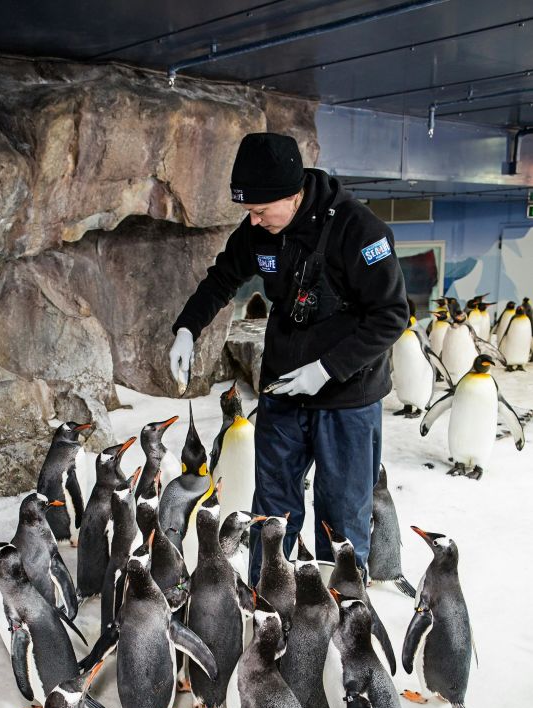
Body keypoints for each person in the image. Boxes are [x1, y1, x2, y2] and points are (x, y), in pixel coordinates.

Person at [169, 132, 408, 583]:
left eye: (261, 210)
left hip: (348, 395)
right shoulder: (261, 230)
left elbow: (392, 314)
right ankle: (269, 607)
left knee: (340, 518)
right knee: (271, 513)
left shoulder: (359, 230)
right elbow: (222, 278)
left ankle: (341, 624)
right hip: (284, 389)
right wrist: (186, 327)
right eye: (248, 212)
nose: (254, 221)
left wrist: (328, 369)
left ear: (295, 193)